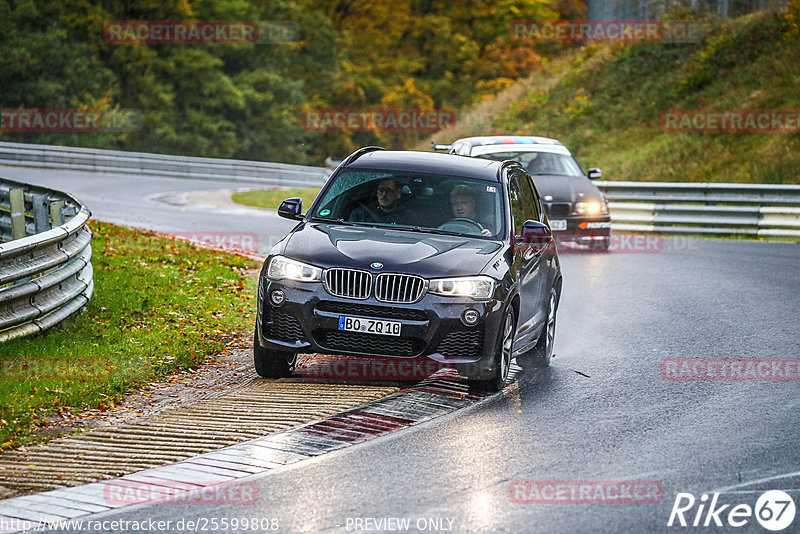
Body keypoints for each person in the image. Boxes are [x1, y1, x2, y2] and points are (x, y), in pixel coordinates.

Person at [348, 178, 417, 224]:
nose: (384, 194)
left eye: (388, 191)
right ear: (377, 193)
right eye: (381, 190)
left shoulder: (409, 217)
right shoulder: (360, 214)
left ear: (398, 194)